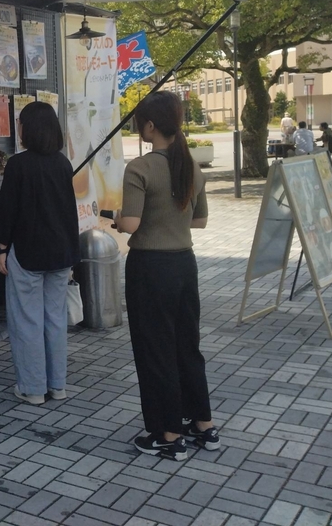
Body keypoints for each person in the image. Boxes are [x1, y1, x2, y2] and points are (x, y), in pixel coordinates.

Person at [114, 91, 219, 462]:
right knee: (186, 346)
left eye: (140, 122)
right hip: (184, 265)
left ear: (151, 125)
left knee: (155, 350)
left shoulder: (140, 168)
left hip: (150, 269)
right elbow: (200, 221)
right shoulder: (191, 165)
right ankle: (202, 425)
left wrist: (113, 215)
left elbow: (130, 224)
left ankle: (167, 435)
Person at [0, 101, 78, 406]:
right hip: (60, 254)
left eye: (20, 123)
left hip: (27, 253)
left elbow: (7, 212)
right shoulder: (63, 164)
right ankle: (57, 385)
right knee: (55, 320)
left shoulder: (18, 165)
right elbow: (71, 215)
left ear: (28, 128)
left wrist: (2, 248)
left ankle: (32, 388)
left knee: (27, 320)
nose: (18, 127)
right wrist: (73, 257)